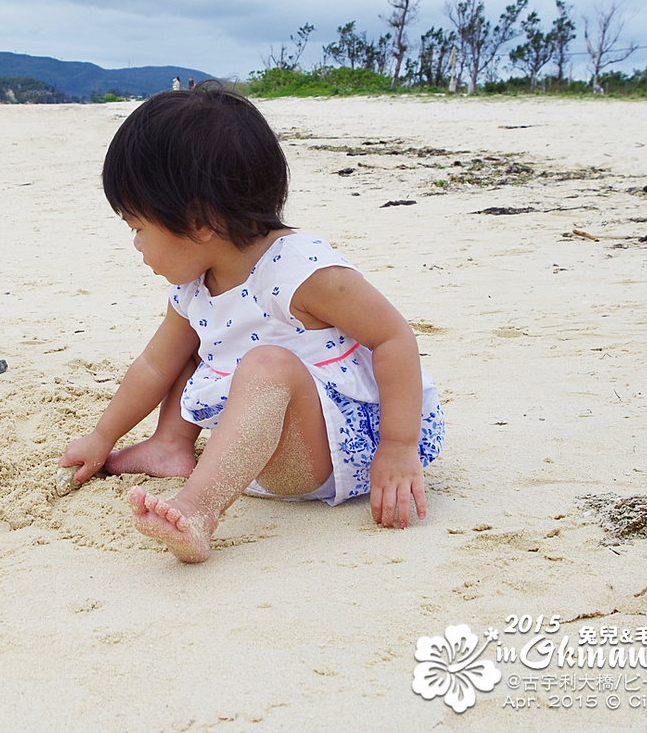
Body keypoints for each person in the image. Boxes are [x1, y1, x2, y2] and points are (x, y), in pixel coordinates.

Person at [58, 84, 443, 563]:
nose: (136, 245)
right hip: (253, 452)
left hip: (329, 452)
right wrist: (102, 437)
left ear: (199, 223)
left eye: (138, 227)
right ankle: (169, 445)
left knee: (264, 364)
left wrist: (399, 446)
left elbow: (393, 338)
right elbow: (153, 367)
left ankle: (198, 509)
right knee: (194, 344)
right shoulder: (197, 286)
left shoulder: (299, 271)